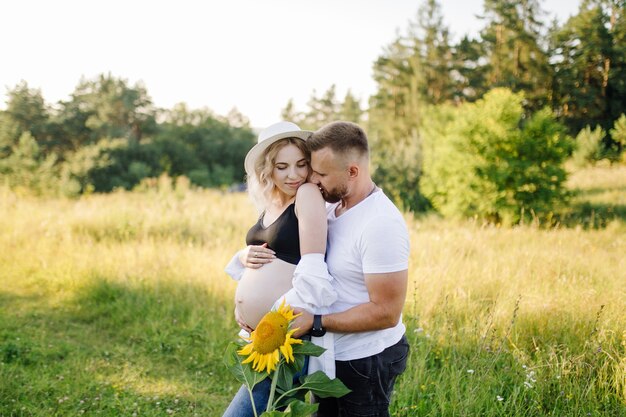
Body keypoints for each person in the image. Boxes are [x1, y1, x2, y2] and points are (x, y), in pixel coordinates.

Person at [291, 121, 411, 417]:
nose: (313, 180)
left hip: (367, 359)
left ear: (352, 172)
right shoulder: (332, 207)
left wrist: (316, 321)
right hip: (333, 353)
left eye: (321, 173)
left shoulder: (380, 224)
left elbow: (386, 312)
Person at [222, 121, 337, 417]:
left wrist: (270, 320)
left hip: (289, 337)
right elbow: (268, 256)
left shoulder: (307, 194)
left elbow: (313, 267)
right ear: (268, 169)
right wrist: (243, 258)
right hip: (265, 336)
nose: (294, 175)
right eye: (282, 167)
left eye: (301, 164)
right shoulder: (270, 203)